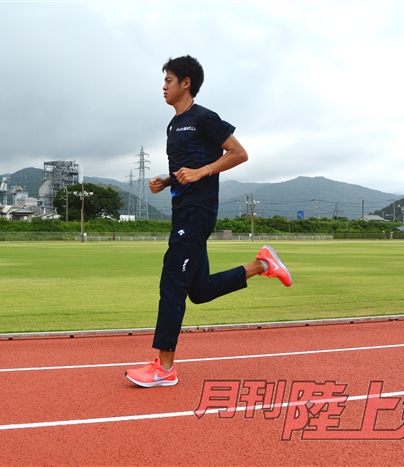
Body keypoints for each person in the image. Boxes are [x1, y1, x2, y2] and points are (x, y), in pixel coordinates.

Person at [125, 55, 292, 388]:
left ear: (186, 83)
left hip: (198, 211)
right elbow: (186, 168)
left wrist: (203, 171)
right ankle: (261, 265)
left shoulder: (203, 118)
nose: (164, 86)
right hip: (181, 208)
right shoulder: (173, 125)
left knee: (172, 283)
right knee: (198, 291)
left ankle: (165, 368)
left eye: (168, 80)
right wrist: (167, 181)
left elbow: (238, 153)